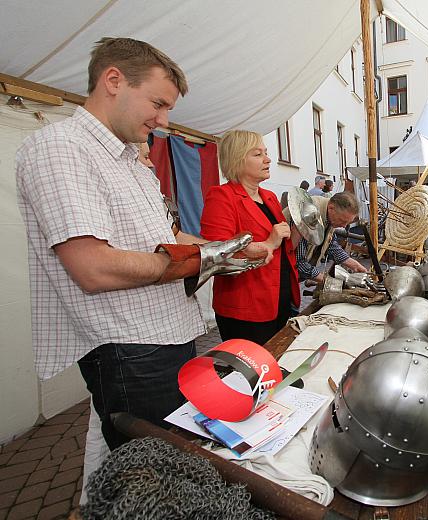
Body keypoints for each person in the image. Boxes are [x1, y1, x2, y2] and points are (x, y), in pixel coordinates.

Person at [15, 37, 262, 453]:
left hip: (168, 339)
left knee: (176, 460)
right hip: (130, 351)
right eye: (158, 103)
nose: (163, 120)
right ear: (114, 80)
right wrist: (199, 260)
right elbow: (93, 268)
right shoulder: (60, 147)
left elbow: (165, 239)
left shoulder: (131, 160)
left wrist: (222, 250)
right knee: (155, 474)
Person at [200, 130, 299, 345]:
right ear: (237, 158)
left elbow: (284, 246)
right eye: (257, 154)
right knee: (252, 373)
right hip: (247, 309)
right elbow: (218, 254)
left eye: (266, 152)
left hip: (279, 298)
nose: (268, 159)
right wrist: (269, 243)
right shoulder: (222, 196)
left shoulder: (269, 197)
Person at [287, 191, 367, 283]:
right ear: (331, 208)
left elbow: (330, 244)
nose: (344, 226)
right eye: (342, 221)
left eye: (347, 223)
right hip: (280, 273)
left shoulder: (329, 215)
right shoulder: (309, 214)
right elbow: (298, 262)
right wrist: (327, 281)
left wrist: (353, 264)